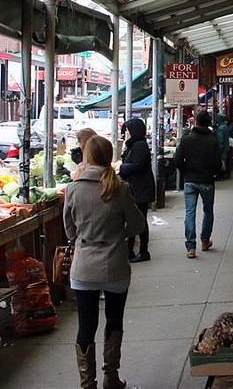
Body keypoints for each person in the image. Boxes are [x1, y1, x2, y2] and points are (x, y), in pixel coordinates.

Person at [64, 136, 146, 389]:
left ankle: (88, 383)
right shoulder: (120, 187)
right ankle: (111, 377)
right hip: (116, 266)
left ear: (86, 157)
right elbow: (137, 224)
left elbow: (69, 231)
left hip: (84, 267)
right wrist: (118, 234)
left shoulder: (73, 189)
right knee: (114, 320)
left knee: (85, 326)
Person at [171, 111, 220, 258]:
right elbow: (218, 163)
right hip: (207, 181)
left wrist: (186, 171)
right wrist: (212, 173)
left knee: (190, 212)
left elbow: (177, 160)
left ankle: (191, 247)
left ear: (196, 122)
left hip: (190, 180)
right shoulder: (213, 140)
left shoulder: (186, 140)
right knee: (208, 211)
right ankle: (205, 241)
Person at [119, 118, 154, 263]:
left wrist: (120, 168)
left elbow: (137, 166)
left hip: (141, 189)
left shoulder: (139, 146)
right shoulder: (135, 145)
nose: (126, 133)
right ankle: (130, 251)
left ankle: (143, 251)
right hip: (137, 188)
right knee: (134, 219)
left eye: (127, 131)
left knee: (140, 220)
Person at [215, 115, 231, 180]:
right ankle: (226, 174)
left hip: (222, 147)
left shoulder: (220, 128)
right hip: (226, 146)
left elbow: (220, 139)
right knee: (225, 161)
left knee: (222, 161)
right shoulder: (225, 127)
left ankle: (221, 175)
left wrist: (219, 147)